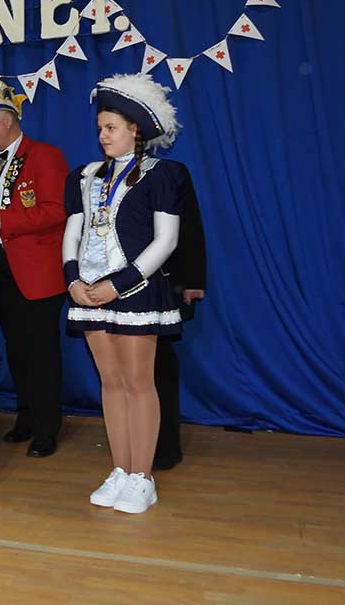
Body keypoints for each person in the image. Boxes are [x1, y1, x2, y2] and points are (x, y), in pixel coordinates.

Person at [62, 73, 185, 514]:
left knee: (138, 382)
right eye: (100, 128)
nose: (103, 135)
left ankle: (142, 476)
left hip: (136, 291)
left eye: (111, 127)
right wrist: (73, 280)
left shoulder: (162, 174)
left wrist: (120, 283)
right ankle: (120, 469)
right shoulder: (84, 176)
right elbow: (72, 232)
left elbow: (166, 240)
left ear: (136, 130)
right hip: (89, 292)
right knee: (111, 383)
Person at [0, 71, 69, 458]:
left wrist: (9, 220)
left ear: (7, 119)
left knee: (42, 350)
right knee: (16, 348)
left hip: (37, 271)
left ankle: (47, 427)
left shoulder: (45, 156)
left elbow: (58, 210)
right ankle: (26, 417)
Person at [153, 166, 206, 471]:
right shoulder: (100, 174)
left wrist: (193, 279)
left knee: (159, 364)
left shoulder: (169, 173)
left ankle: (165, 446)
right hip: (115, 283)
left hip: (162, 282)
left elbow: (189, 225)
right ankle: (132, 443)